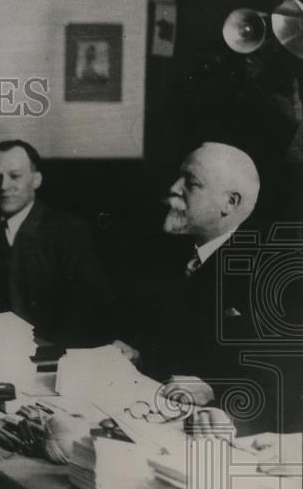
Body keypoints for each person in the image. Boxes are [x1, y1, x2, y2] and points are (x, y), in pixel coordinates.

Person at [121, 142, 301, 434]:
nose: (174, 188)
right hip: (155, 414)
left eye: (190, 183)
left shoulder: (272, 276)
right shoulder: (171, 255)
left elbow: (284, 383)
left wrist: (213, 390)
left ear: (229, 203)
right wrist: (137, 353)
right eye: (178, 177)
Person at [0, 140, 113, 347]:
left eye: (15, 176)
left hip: (51, 355)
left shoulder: (67, 231)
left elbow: (88, 311)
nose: (4, 186)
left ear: (36, 180)